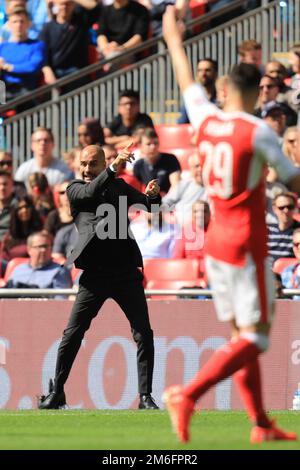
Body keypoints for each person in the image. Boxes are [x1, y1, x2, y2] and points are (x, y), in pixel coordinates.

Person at [162, 6, 299, 444]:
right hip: (246, 245)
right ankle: (188, 394)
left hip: (215, 243)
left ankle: (260, 423)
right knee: (256, 340)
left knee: (241, 334)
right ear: (258, 94)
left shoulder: (205, 117)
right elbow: (292, 178)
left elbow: (185, 78)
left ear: (224, 89)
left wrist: (172, 38)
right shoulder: (257, 130)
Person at [38, 143, 161, 410]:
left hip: (125, 273)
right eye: (83, 163)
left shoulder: (119, 187)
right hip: (94, 275)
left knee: (143, 334)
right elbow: (91, 192)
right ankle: (57, 391)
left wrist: (153, 194)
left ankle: (145, 397)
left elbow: (151, 205)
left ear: (102, 163)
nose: (85, 169)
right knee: (73, 333)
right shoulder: (75, 189)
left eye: (92, 163)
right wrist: (113, 168)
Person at [6, 230, 72, 296]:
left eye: (47, 246)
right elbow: (6, 295)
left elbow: (61, 301)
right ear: (29, 250)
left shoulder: (59, 271)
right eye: (40, 246)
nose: (44, 250)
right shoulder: (18, 269)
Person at [0, 195, 43, 261]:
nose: (24, 210)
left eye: (27, 207)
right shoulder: (10, 236)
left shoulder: (40, 232)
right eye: (20, 208)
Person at [267, 192, 300, 265]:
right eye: (281, 208)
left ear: (294, 207)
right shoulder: (267, 230)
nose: (286, 211)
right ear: (274, 209)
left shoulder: (298, 232)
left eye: (290, 207)